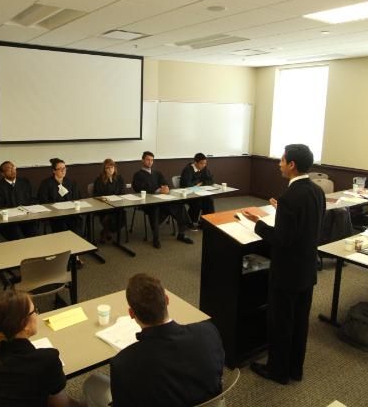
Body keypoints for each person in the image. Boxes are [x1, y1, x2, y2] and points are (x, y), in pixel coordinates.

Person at [243, 144, 326, 385]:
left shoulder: (290, 196)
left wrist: (258, 223)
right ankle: (294, 369)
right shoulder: (316, 191)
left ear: (291, 165)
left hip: (287, 272)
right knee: (300, 322)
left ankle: (277, 371)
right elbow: (308, 225)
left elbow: (282, 239)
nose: (278, 163)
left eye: (281, 160)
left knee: (281, 323)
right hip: (306, 270)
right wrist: (283, 211)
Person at [83, 273, 225, 407]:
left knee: (92, 383)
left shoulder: (123, 363)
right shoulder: (208, 331)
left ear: (131, 314)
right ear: (167, 300)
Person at [0, 290, 83, 407]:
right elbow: (63, 404)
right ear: (24, 324)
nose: (37, 315)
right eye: (34, 311)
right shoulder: (46, 360)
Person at [132, 151, 193, 248]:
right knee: (155, 209)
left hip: (162, 200)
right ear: (142, 160)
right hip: (148, 202)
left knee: (179, 206)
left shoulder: (157, 173)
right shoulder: (138, 175)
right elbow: (139, 188)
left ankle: (182, 234)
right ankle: (156, 238)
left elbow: (165, 183)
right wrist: (159, 190)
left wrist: (166, 188)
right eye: (148, 160)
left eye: (152, 160)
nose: (150, 162)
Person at [0, 161, 38, 240]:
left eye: (13, 168)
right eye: (9, 169)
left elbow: (31, 199)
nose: (13, 170)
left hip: (25, 218)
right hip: (8, 221)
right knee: (18, 237)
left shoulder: (24, 182)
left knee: (34, 234)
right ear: (3, 174)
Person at [38, 158, 83, 237]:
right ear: (54, 171)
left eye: (64, 168)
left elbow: (77, 198)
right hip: (55, 215)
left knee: (77, 226)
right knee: (62, 227)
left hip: (70, 213)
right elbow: (43, 201)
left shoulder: (71, 182)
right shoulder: (46, 183)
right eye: (60, 169)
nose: (63, 171)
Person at [92, 158, 125, 243]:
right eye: (108, 168)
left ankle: (105, 232)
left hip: (117, 205)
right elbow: (96, 194)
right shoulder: (99, 179)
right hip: (103, 205)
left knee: (119, 213)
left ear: (114, 168)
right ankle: (107, 232)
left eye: (112, 167)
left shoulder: (119, 178)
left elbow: (122, 192)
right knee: (107, 215)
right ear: (104, 169)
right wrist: (102, 198)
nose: (110, 169)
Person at [180, 152, 215, 225]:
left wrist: (201, 183)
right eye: (201, 163)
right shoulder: (188, 170)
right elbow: (187, 185)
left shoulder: (204, 168)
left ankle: (206, 221)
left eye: (205, 163)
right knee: (197, 202)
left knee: (209, 200)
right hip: (187, 194)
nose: (203, 165)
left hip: (199, 192)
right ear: (195, 162)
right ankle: (191, 222)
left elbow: (211, 180)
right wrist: (197, 185)